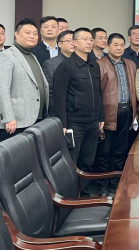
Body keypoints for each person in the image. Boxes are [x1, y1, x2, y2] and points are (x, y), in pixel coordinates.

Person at [53, 28, 104, 173]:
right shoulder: (66, 66)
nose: (89, 42)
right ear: (74, 43)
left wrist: (101, 117)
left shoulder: (95, 65)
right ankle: (72, 189)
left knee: (88, 161)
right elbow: (59, 97)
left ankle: (85, 188)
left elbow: (98, 93)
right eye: (84, 39)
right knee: (72, 162)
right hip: (74, 123)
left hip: (93, 123)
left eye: (90, 40)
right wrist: (62, 123)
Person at [0, 18, 49, 141]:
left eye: (35, 33)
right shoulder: (5, 56)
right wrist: (8, 118)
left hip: (36, 118)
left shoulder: (32, 56)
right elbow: (1, 90)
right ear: (16, 34)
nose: (32, 36)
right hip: (15, 122)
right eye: (27, 33)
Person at [96, 33, 137, 197]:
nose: (119, 48)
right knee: (104, 152)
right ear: (107, 46)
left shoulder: (130, 64)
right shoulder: (99, 64)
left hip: (127, 112)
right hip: (108, 114)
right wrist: (99, 116)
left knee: (120, 151)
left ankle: (116, 184)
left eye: (121, 45)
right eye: (115, 45)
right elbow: (96, 93)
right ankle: (102, 186)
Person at [42, 30, 75, 117]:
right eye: (69, 41)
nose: (73, 43)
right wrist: (56, 113)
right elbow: (49, 92)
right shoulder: (50, 64)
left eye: (74, 41)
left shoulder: (81, 63)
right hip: (59, 112)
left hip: (77, 112)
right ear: (60, 44)